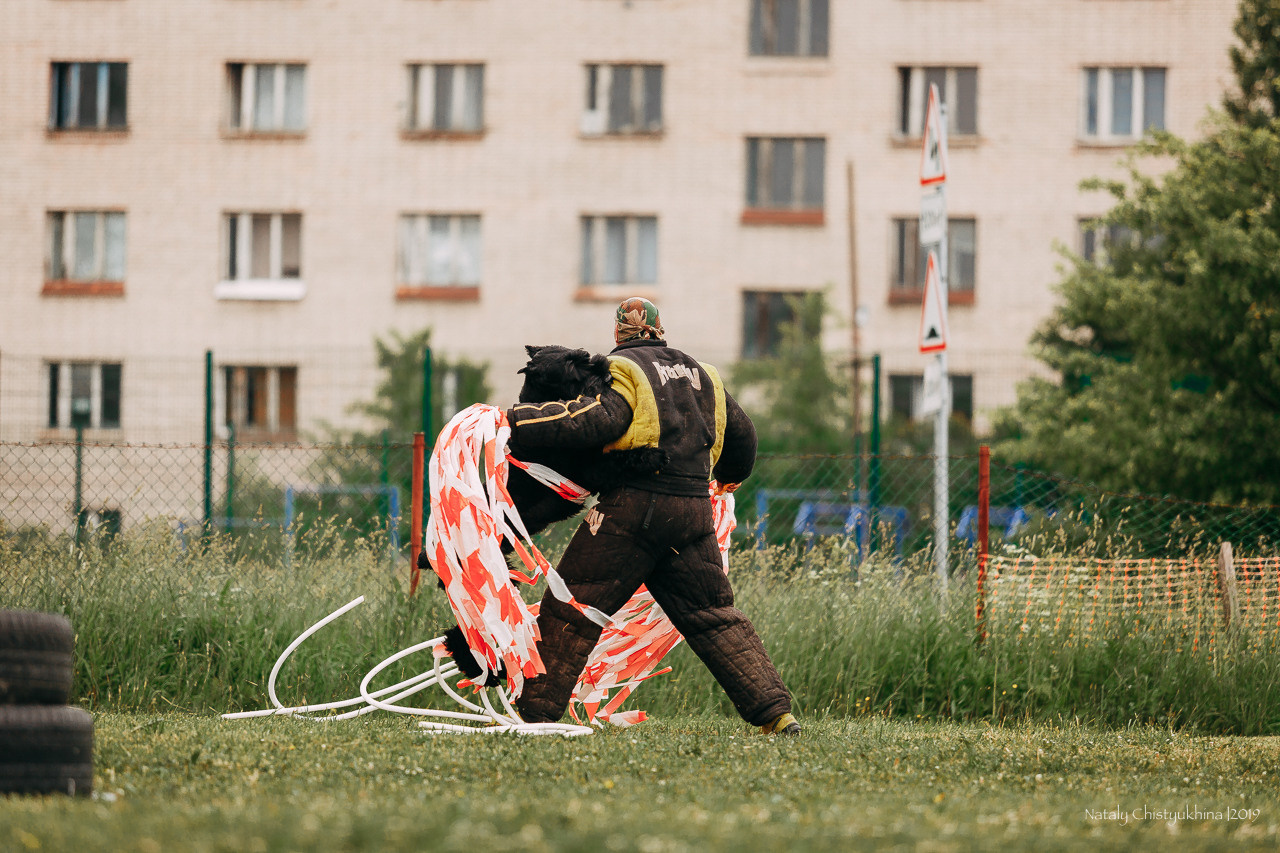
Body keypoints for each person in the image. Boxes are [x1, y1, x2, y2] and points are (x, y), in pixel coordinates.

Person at [505, 297, 799, 735]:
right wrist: (730, 477)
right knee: (713, 614)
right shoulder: (705, 376)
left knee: (572, 605)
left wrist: (512, 420)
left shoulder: (625, 369)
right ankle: (776, 714)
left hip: (633, 510)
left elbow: (598, 421)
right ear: (660, 330)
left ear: (619, 333)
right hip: (693, 513)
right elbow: (744, 436)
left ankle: (532, 715)